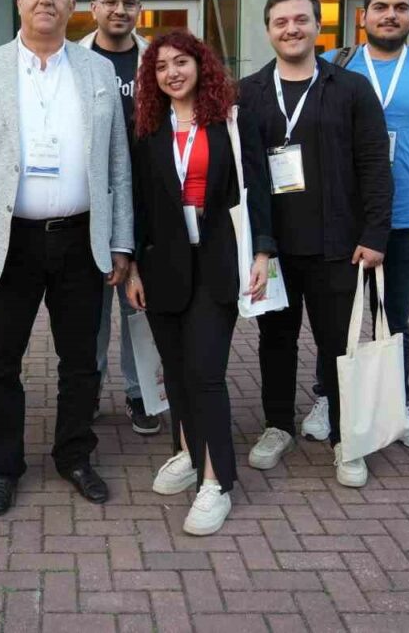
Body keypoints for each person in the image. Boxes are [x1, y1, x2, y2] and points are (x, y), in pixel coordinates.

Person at [0, 0, 133, 516]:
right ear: (19, 0)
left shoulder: (98, 71)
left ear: (74, 5)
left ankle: (75, 455)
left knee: (81, 361)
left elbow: (118, 165)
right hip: (8, 243)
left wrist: (120, 242)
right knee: (0, 362)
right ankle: (3, 466)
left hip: (82, 239)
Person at [300, 0, 409, 451]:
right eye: (380, 7)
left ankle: (397, 405)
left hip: (407, 218)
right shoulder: (333, 64)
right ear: (364, 15)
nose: (389, 15)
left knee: (394, 320)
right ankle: (329, 398)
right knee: (336, 319)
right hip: (343, 218)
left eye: (399, 8)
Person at [237, 0, 392, 488]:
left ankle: (347, 440)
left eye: (301, 19)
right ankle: (278, 425)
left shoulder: (350, 89)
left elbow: (375, 165)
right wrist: (254, 245)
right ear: (268, 30)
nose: (292, 29)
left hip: (337, 246)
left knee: (338, 347)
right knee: (275, 341)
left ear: (317, 26)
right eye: (281, 22)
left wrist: (375, 233)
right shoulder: (248, 93)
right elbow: (243, 175)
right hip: (273, 248)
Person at [126, 30, 273, 535]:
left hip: (218, 262)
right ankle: (189, 453)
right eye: (161, 66)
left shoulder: (231, 120)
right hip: (162, 266)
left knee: (206, 373)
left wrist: (262, 253)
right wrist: (134, 268)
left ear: (200, 65)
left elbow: (258, 188)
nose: (172, 72)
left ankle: (216, 481)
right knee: (176, 370)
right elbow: (138, 204)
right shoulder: (147, 127)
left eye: (181, 62)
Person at [77, 0, 158, 435]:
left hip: (145, 202)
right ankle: (88, 390)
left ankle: (139, 392)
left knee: (137, 307)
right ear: (94, 8)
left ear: (139, 9)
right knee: (90, 311)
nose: (119, 9)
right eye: (110, 1)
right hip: (89, 204)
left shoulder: (156, 61)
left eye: (129, 2)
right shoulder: (75, 60)